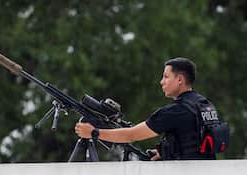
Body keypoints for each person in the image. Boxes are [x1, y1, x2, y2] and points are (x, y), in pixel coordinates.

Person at [75, 57, 218, 160]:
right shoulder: (204, 105)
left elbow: (131, 135)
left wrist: (94, 132)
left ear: (180, 80)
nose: (161, 82)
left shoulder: (176, 111)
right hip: (205, 173)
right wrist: (166, 153)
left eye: (166, 77)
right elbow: (194, 142)